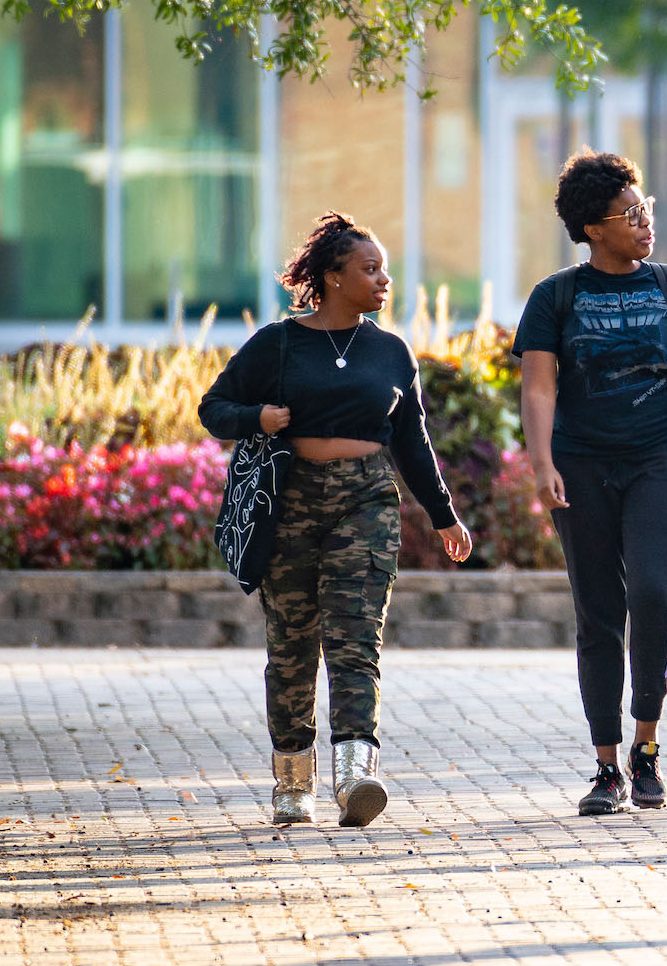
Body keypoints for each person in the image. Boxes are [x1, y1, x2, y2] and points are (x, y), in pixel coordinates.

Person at [200, 213, 473, 828]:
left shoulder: (392, 351)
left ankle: (356, 777)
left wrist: (444, 516)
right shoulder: (277, 343)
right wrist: (258, 418)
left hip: (366, 499)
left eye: (385, 269)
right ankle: (293, 782)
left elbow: (413, 441)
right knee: (291, 646)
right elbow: (213, 408)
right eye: (370, 269)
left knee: (355, 638)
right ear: (332, 276)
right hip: (288, 501)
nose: (384, 280)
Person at [516, 152, 667, 816]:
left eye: (646, 210)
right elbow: (540, 387)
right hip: (581, 464)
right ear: (593, 228)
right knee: (598, 611)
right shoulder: (556, 296)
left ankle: (647, 746)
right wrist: (542, 462)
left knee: (656, 593)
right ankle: (605, 767)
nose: (644, 222)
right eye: (630, 214)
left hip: (659, 459)